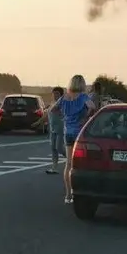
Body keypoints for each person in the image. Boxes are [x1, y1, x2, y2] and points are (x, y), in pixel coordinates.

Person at [49, 74, 97, 204]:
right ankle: (81, 191)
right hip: (79, 132)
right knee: (82, 163)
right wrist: (86, 117)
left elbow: (53, 109)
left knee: (68, 164)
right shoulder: (83, 97)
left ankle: (68, 195)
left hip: (67, 132)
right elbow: (92, 107)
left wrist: (64, 116)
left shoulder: (64, 97)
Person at [45, 86, 65, 175]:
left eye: (57, 94)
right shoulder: (52, 103)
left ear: (61, 95)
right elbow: (46, 114)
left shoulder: (62, 103)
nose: (55, 95)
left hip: (60, 128)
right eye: (54, 93)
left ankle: (73, 160)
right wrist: (37, 122)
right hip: (52, 129)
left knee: (59, 148)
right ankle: (54, 167)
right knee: (53, 148)